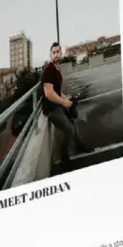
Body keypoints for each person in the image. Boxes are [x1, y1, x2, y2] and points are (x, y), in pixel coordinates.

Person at [38, 41, 76, 175]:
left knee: (72, 119)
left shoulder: (57, 69)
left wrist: (65, 98)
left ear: (61, 53)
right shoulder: (48, 70)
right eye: (53, 52)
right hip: (51, 109)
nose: (55, 54)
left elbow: (57, 91)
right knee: (69, 130)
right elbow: (48, 93)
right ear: (50, 55)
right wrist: (63, 102)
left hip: (57, 104)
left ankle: (81, 145)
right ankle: (63, 158)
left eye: (57, 52)